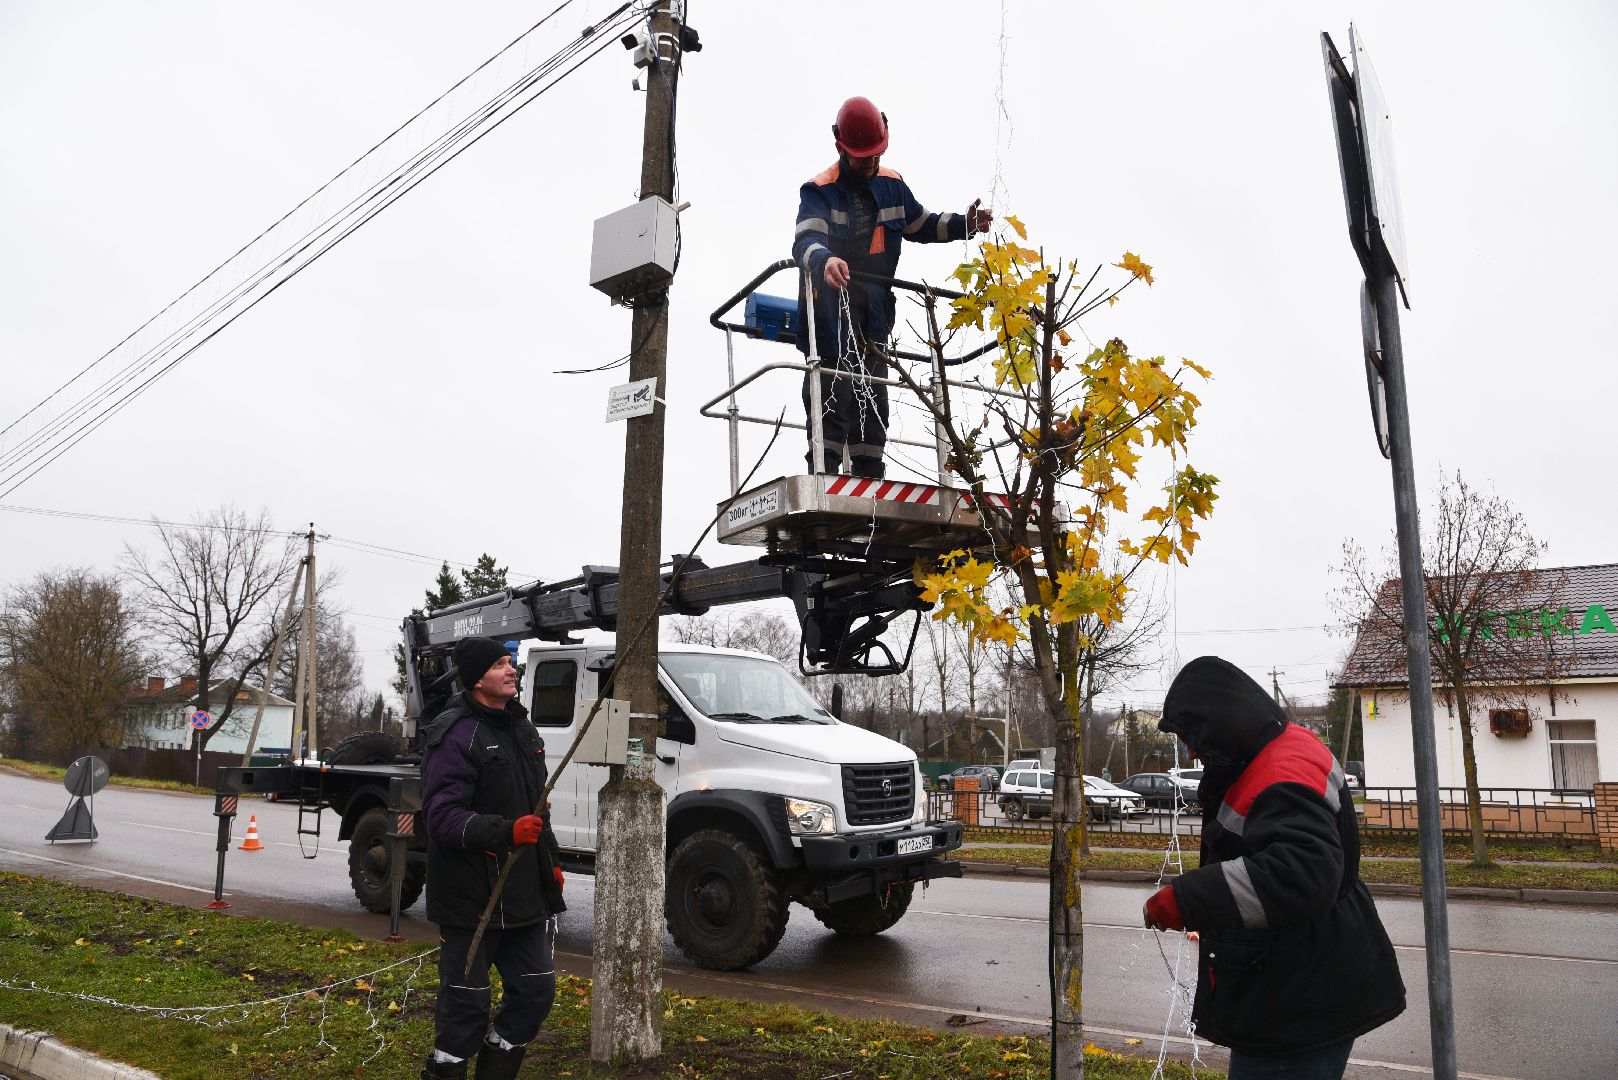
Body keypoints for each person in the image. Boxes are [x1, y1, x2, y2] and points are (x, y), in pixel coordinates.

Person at [1142, 656, 1404, 1080]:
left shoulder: (1280, 773)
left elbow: (1301, 873)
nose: (1191, 751)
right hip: (1305, 981)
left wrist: (1187, 899)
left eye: (1194, 737)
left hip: (1297, 1001)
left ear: (1222, 723)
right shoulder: (1284, 748)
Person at [792, 95, 992, 478]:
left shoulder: (892, 186)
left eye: (876, 153)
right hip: (829, 309)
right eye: (863, 155)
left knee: (873, 389)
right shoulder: (819, 190)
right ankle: (824, 470)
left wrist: (964, 224)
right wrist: (826, 260)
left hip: (875, 310)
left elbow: (923, 224)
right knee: (833, 388)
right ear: (841, 148)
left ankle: (870, 472)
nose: (871, 162)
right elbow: (805, 242)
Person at [419, 636, 566, 1080]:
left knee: (536, 993)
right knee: (466, 1007)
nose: (512, 670)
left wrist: (550, 861)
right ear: (477, 677)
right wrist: (506, 831)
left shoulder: (524, 729)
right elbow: (442, 818)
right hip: (471, 900)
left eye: (512, 663)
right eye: (502, 663)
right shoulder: (454, 734)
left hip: (523, 896)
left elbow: (536, 809)